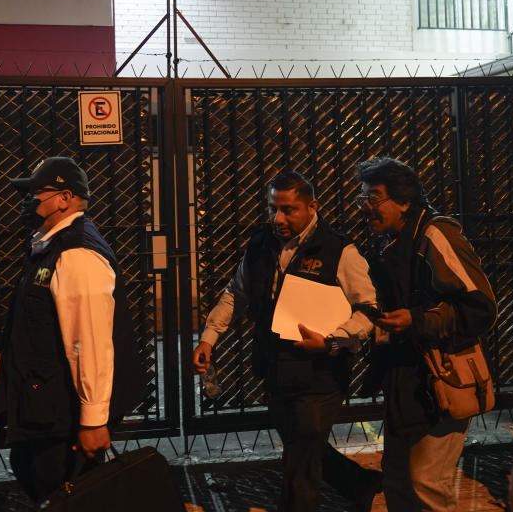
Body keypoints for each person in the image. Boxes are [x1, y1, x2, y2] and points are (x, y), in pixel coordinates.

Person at [192, 170, 383, 512]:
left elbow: (368, 310)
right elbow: (237, 293)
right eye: (272, 209)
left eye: (288, 209)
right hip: (275, 366)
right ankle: (359, 482)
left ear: (312, 207)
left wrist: (331, 341)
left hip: (320, 373)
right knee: (302, 447)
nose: (277, 218)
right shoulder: (261, 243)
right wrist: (209, 338)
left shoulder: (339, 249)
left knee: (299, 462)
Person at [355, 157, 496, 512]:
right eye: (362, 199)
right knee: (398, 481)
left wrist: (417, 320)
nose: (366, 208)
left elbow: (480, 307)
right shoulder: (391, 242)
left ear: (403, 201)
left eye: (374, 198)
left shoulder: (434, 234)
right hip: (406, 384)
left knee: (426, 484)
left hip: (443, 381)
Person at [0, 156, 122, 504]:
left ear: (65, 198)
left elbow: (89, 341)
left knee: (65, 495)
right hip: (45, 410)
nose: (28, 200)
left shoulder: (77, 253)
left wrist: (93, 421)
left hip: (60, 417)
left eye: (37, 192)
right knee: (38, 480)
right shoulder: (51, 247)